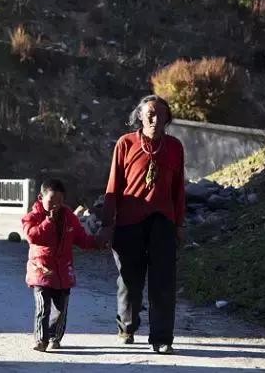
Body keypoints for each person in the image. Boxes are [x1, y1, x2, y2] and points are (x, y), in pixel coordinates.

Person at [100, 95, 186, 354]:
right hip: (129, 222)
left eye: (162, 115)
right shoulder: (125, 143)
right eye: (150, 114)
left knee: (163, 281)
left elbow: (178, 189)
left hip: (163, 222)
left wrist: (179, 224)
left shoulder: (174, 147)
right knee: (129, 280)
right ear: (140, 115)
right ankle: (126, 326)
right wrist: (107, 224)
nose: (156, 119)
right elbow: (113, 186)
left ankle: (162, 338)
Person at [22, 179, 105, 352]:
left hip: (63, 272)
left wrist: (97, 242)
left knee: (60, 310)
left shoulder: (69, 217)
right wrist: (48, 222)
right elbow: (32, 236)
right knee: (43, 308)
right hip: (41, 271)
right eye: (52, 200)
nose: (56, 205)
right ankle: (41, 339)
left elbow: (81, 238)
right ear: (41, 198)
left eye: (60, 201)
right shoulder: (32, 217)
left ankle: (55, 337)